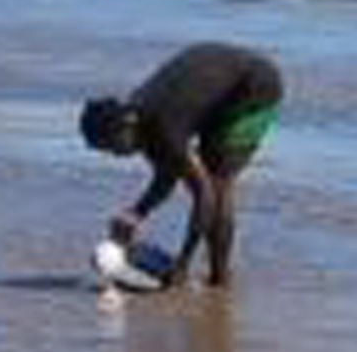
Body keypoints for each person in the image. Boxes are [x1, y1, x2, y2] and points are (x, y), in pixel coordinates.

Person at [78, 40, 286, 292]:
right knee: (208, 170)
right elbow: (167, 173)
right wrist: (136, 213)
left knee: (218, 183)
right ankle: (215, 277)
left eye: (113, 147)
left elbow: (203, 194)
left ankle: (219, 280)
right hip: (214, 89)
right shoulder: (137, 118)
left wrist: (183, 262)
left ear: (125, 128)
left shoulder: (163, 125)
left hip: (256, 88)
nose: (115, 155)